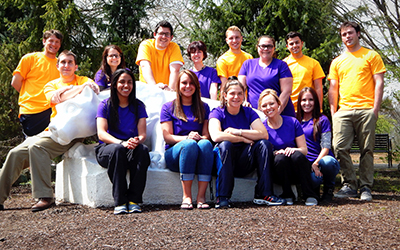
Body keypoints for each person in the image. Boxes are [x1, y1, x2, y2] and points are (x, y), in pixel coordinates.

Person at [0, 50, 100, 212]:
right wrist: (79, 89)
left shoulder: (83, 79)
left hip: (72, 133)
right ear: (57, 66)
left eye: (70, 62)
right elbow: (55, 99)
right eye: (63, 62)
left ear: (76, 66)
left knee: (37, 148)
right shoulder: (51, 84)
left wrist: (70, 91)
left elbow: (92, 90)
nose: (66, 65)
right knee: (15, 153)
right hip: (52, 130)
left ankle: (45, 196)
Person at [328, 21, 385, 201]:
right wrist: (334, 112)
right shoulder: (337, 61)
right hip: (343, 111)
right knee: (339, 148)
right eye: (344, 34)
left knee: (367, 149)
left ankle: (366, 186)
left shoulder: (371, 56)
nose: (347, 37)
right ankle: (349, 184)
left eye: (350, 33)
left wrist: (375, 110)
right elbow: (333, 89)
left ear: (358, 34)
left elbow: (379, 83)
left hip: (366, 109)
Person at [208, 77, 285, 208]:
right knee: (225, 144)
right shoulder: (217, 112)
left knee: (263, 144)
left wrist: (238, 132)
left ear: (244, 95)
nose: (236, 97)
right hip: (224, 159)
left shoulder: (248, 112)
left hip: (244, 159)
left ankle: (264, 193)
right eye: (232, 93)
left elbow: (263, 134)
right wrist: (243, 139)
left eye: (240, 93)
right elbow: (216, 136)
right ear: (225, 95)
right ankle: (222, 197)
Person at [95, 69, 150, 214]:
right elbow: (101, 133)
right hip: (108, 150)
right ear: (114, 84)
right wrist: (121, 143)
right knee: (118, 150)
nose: (126, 85)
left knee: (143, 150)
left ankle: (134, 200)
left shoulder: (138, 106)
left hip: (130, 147)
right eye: (122, 82)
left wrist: (136, 141)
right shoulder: (105, 105)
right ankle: (120, 201)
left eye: (129, 82)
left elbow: (142, 134)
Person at [160, 70, 213, 209]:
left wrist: (200, 138)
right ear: (178, 85)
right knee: (189, 144)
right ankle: (186, 196)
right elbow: (168, 137)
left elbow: (206, 135)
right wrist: (186, 138)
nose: (188, 86)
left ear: (196, 86)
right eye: (184, 83)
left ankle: (201, 197)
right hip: (175, 154)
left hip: (198, 150)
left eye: (191, 83)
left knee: (206, 144)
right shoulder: (168, 107)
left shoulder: (204, 107)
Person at [259, 89, 318, 206]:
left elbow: (304, 150)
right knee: (280, 158)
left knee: (297, 156)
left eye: (271, 103)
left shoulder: (292, 122)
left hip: (297, 167)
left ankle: (309, 194)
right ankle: (287, 194)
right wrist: (276, 152)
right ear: (261, 109)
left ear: (278, 104)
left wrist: (293, 149)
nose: (269, 107)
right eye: (264, 105)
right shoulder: (262, 128)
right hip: (279, 170)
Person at [11, 29, 63, 136]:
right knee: (32, 147)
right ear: (44, 41)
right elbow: (15, 82)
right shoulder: (30, 58)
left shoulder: (61, 65)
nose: (54, 44)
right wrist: (30, 97)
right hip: (31, 111)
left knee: (51, 148)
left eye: (57, 42)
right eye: (51, 41)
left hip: (52, 111)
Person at [297, 87, 340, 202]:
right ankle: (313, 190)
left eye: (310, 100)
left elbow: (326, 146)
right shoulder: (296, 120)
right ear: (299, 102)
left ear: (315, 101)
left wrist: (316, 163)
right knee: (314, 180)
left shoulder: (323, 120)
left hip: (321, 160)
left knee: (328, 162)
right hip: (305, 164)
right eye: (303, 100)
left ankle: (328, 189)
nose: (307, 103)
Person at [239, 35, 295, 117]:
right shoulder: (247, 64)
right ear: (257, 47)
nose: (265, 49)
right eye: (263, 46)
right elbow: (240, 87)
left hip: (280, 114)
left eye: (269, 46)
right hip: (255, 114)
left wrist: (276, 111)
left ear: (274, 48)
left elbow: (286, 91)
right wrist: (243, 101)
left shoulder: (281, 65)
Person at [135, 20, 184, 91]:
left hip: (167, 90)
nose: (164, 37)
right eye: (161, 33)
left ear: (171, 37)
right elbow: (145, 66)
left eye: (167, 34)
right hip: (147, 90)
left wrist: (170, 91)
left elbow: (175, 70)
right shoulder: (146, 45)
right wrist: (154, 88)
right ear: (155, 35)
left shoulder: (174, 47)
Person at [284, 31, 325, 111]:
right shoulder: (283, 64)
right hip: (289, 109)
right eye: (291, 44)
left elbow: (318, 89)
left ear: (302, 43)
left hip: (308, 108)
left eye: (297, 42)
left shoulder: (314, 63)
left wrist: (319, 109)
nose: (295, 46)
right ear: (287, 46)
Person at [216, 26, 253, 91]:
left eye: (237, 37)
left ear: (241, 38)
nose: (234, 41)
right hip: (232, 98)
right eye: (231, 38)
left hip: (248, 99)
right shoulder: (222, 60)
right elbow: (224, 84)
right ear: (227, 40)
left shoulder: (249, 57)